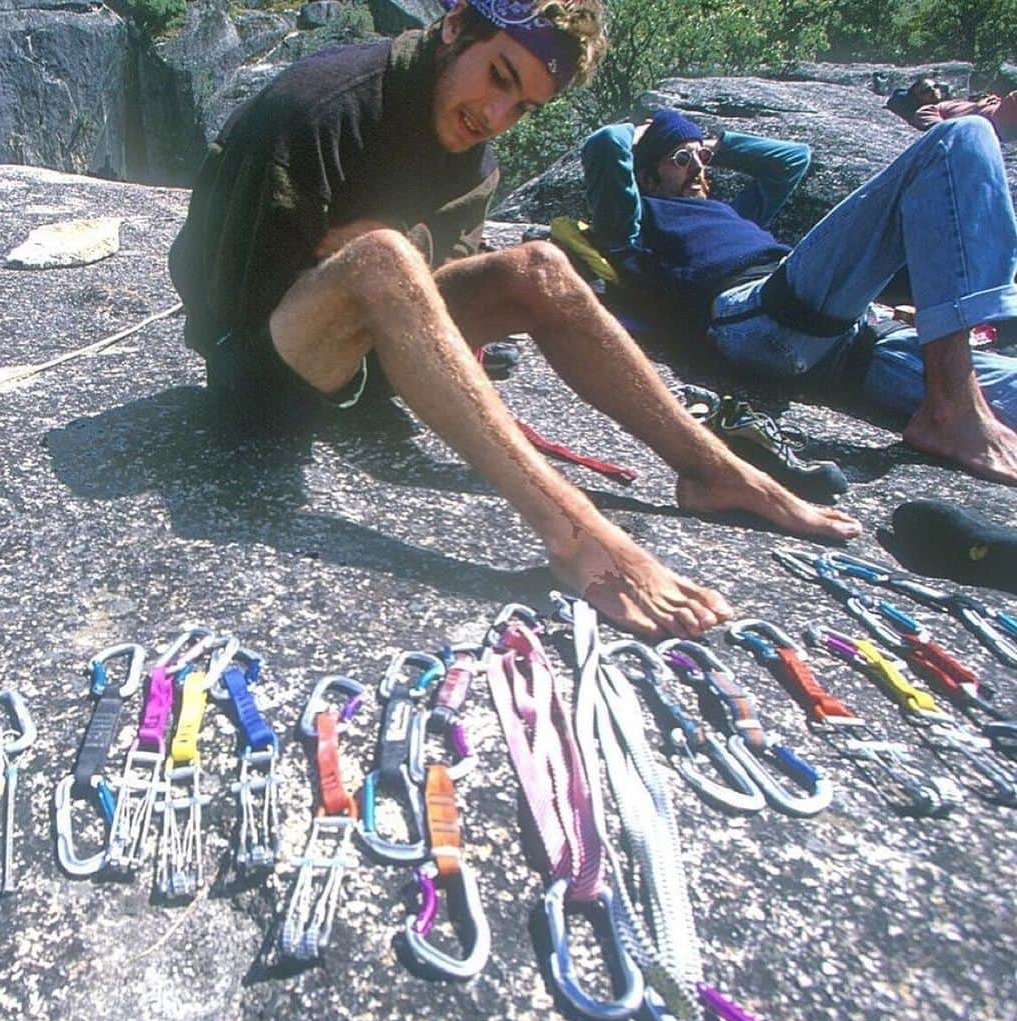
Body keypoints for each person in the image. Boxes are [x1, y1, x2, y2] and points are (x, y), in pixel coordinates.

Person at [168, 0, 860, 640]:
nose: (496, 115)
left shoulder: (475, 161)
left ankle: (719, 472)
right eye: (497, 76)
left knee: (540, 268)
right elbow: (222, 304)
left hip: (373, 353)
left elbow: (434, 285)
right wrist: (367, 270)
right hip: (260, 370)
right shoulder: (318, 106)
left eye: (523, 105)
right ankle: (577, 537)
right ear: (456, 25)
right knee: (381, 259)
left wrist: (389, 269)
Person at [581, 108, 1017, 485]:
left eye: (702, 158)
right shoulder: (638, 224)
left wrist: (713, 144)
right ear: (645, 175)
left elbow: (792, 160)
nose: (698, 167)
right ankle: (954, 404)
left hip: (849, 347)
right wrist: (642, 131)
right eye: (680, 159)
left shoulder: (734, 211)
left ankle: (950, 402)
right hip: (761, 313)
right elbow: (605, 143)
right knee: (962, 136)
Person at [887, 77, 1017, 142]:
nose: (933, 90)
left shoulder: (957, 101)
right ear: (917, 99)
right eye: (926, 90)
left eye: (935, 86)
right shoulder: (928, 109)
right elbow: (945, 129)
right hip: (996, 118)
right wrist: (977, 107)